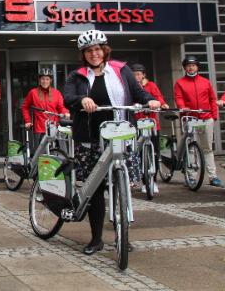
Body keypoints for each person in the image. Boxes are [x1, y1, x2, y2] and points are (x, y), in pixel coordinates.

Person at [64, 30, 159, 255]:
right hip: (90, 139)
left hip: (120, 135)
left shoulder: (121, 69)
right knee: (94, 190)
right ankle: (96, 239)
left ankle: (122, 235)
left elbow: (138, 92)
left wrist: (150, 100)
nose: (94, 54)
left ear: (104, 50)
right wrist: (82, 99)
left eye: (97, 49)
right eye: (89, 51)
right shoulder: (76, 75)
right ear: (83, 54)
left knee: (120, 184)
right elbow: (67, 98)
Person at [173, 55, 222, 188]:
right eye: (188, 66)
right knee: (191, 149)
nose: (191, 67)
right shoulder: (180, 83)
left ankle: (213, 177)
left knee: (207, 148)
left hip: (206, 118)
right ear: (184, 68)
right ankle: (191, 177)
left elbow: (212, 99)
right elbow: (178, 98)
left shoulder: (205, 82)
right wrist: (183, 107)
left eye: (193, 65)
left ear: (197, 67)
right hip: (190, 118)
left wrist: (214, 115)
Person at [130, 63, 169, 194]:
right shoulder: (130, 87)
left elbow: (158, 97)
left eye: (139, 74)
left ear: (143, 75)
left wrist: (162, 104)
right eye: (134, 74)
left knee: (154, 153)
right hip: (137, 124)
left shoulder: (151, 85)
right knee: (138, 153)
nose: (136, 77)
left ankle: (154, 181)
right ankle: (143, 180)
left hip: (152, 124)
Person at [21, 68, 69, 154]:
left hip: (54, 127)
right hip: (39, 128)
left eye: (47, 79)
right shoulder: (33, 93)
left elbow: (61, 107)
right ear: (39, 80)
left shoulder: (56, 93)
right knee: (40, 154)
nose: (45, 81)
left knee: (55, 152)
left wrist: (65, 112)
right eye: (42, 79)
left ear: (50, 80)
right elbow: (25, 107)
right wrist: (27, 121)